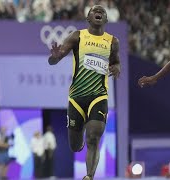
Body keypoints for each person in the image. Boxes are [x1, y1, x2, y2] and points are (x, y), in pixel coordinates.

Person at [48, 5, 120, 180]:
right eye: (95, 11)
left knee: (94, 137)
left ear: (106, 19)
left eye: (102, 12)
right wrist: (55, 56)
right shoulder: (78, 36)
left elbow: (116, 61)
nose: (99, 12)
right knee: (75, 145)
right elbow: (54, 60)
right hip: (76, 97)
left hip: (99, 95)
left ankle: (89, 176)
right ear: (88, 18)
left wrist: (116, 67)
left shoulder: (112, 41)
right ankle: (78, 143)